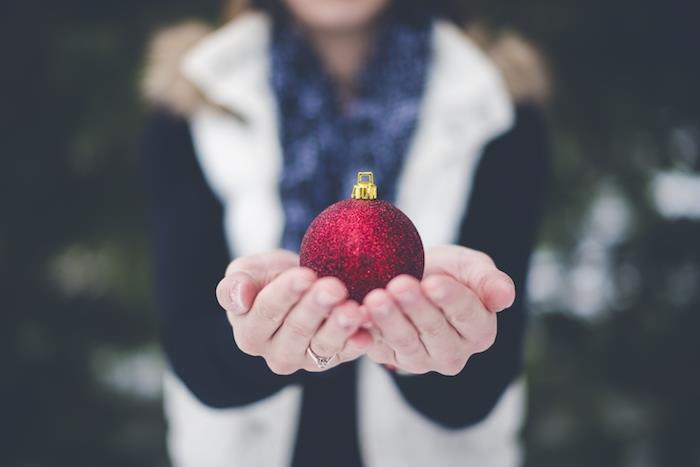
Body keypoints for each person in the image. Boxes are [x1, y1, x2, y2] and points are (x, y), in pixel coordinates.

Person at [141, 0, 551, 466]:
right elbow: (189, 341)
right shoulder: (193, 93)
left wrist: (432, 344)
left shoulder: (495, 99)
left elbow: (484, 380)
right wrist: (255, 337)